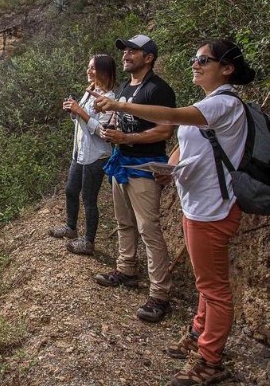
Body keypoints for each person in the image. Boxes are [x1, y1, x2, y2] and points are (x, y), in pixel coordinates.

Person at [93, 39, 255, 386]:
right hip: (198, 204)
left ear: (226, 69)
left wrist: (119, 103)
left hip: (215, 208)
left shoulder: (225, 104)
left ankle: (211, 361)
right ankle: (198, 335)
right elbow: (189, 140)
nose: (195, 64)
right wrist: (171, 165)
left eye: (203, 60)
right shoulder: (210, 102)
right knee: (205, 283)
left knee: (214, 289)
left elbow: (171, 117)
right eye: (194, 58)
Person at [93, 34, 176, 323]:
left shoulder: (159, 90)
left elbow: (165, 130)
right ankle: (126, 268)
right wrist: (111, 128)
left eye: (133, 51)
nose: (126, 55)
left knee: (148, 228)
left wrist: (127, 137)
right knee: (124, 221)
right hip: (122, 162)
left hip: (144, 166)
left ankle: (160, 294)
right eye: (125, 51)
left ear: (149, 58)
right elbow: (125, 119)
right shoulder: (129, 87)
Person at [48, 54, 117, 255]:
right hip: (80, 151)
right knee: (70, 190)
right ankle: (71, 227)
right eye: (89, 67)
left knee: (89, 198)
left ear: (105, 70)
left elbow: (104, 132)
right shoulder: (90, 91)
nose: (89, 71)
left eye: (93, 68)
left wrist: (81, 112)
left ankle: (88, 241)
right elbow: (80, 121)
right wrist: (73, 111)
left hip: (97, 155)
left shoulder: (111, 98)